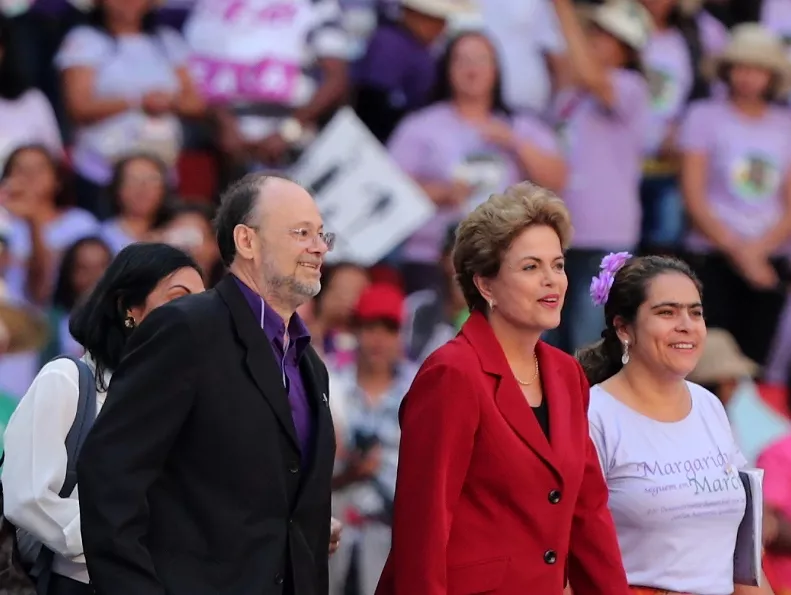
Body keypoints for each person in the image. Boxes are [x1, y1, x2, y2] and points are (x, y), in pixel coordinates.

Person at [77, 173, 339, 595]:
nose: (320, 246)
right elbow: (109, 474)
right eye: (301, 232)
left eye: (322, 234)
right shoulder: (186, 329)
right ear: (247, 241)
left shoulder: (309, 364)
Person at [375, 181, 630, 595]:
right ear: (486, 286)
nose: (552, 281)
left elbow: (588, 515)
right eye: (531, 267)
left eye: (558, 265)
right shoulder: (452, 373)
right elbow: (423, 527)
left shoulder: (567, 374)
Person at [2, 242, 205, 595]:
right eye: (179, 297)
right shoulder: (66, 379)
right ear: (130, 308)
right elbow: (26, 496)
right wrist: (118, 541)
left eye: (202, 302)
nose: (196, 313)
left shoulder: (187, 400)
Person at [577, 253, 774, 595]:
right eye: (667, 312)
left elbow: (741, 560)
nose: (686, 324)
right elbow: (562, 545)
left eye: (695, 312)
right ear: (624, 328)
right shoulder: (594, 415)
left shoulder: (709, 406)